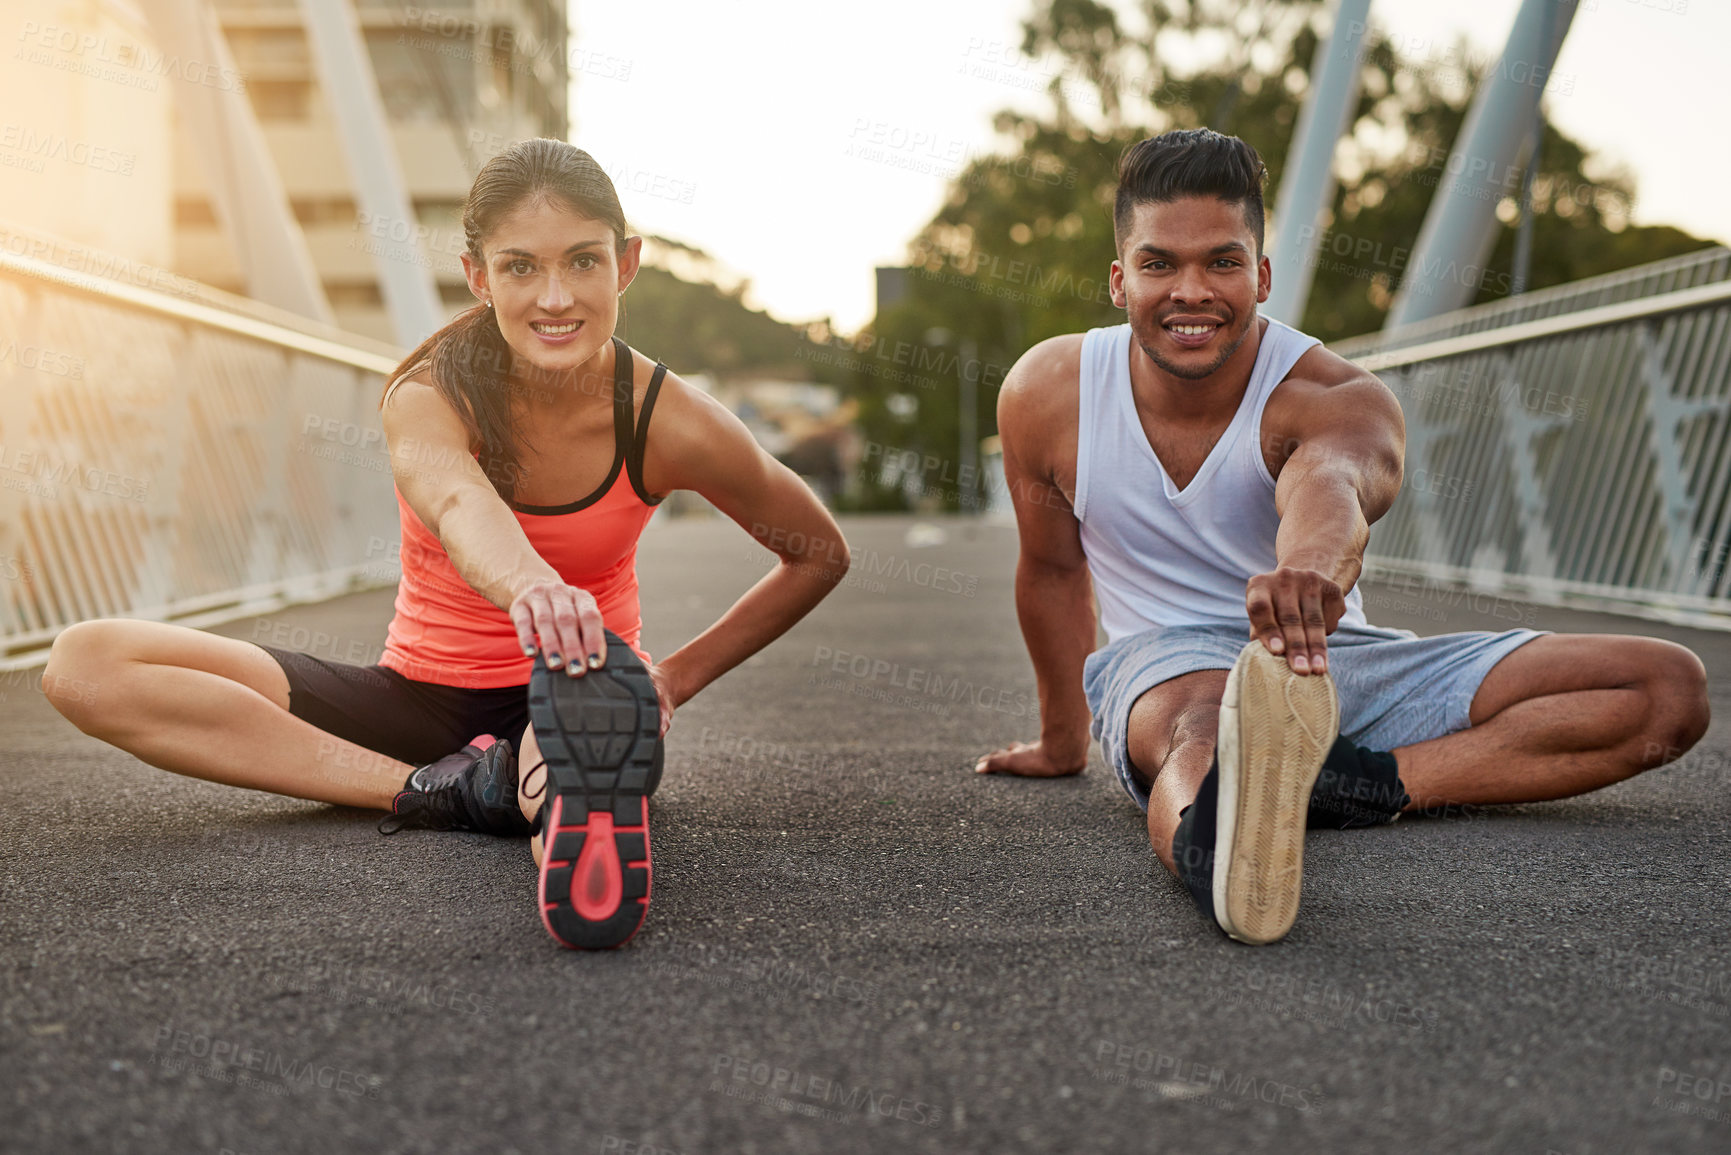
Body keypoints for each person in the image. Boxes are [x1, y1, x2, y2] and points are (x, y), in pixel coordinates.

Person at [40, 139, 850, 950]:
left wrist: (670, 681)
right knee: (86, 662)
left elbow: (816, 551)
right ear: (477, 275)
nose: (555, 296)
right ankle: (443, 789)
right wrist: (530, 584)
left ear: (626, 263)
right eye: (520, 267)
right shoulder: (428, 392)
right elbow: (459, 501)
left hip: (573, 693)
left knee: (575, 751)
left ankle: (552, 796)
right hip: (414, 697)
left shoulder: (669, 419)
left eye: (582, 261)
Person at [975, 128, 1710, 945]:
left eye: (1221, 262)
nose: (1191, 290)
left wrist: (1308, 570)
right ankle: (1215, 853)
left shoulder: (1333, 393)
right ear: (1119, 280)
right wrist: (1060, 739)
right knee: (1207, 722)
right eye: (1159, 264)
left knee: (1665, 687)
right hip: (1165, 667)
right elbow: (1048, 569)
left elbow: (1332, 485)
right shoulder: (1049, 391)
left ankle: (1359, 784)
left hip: (1333, 654)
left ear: (1260, 274)